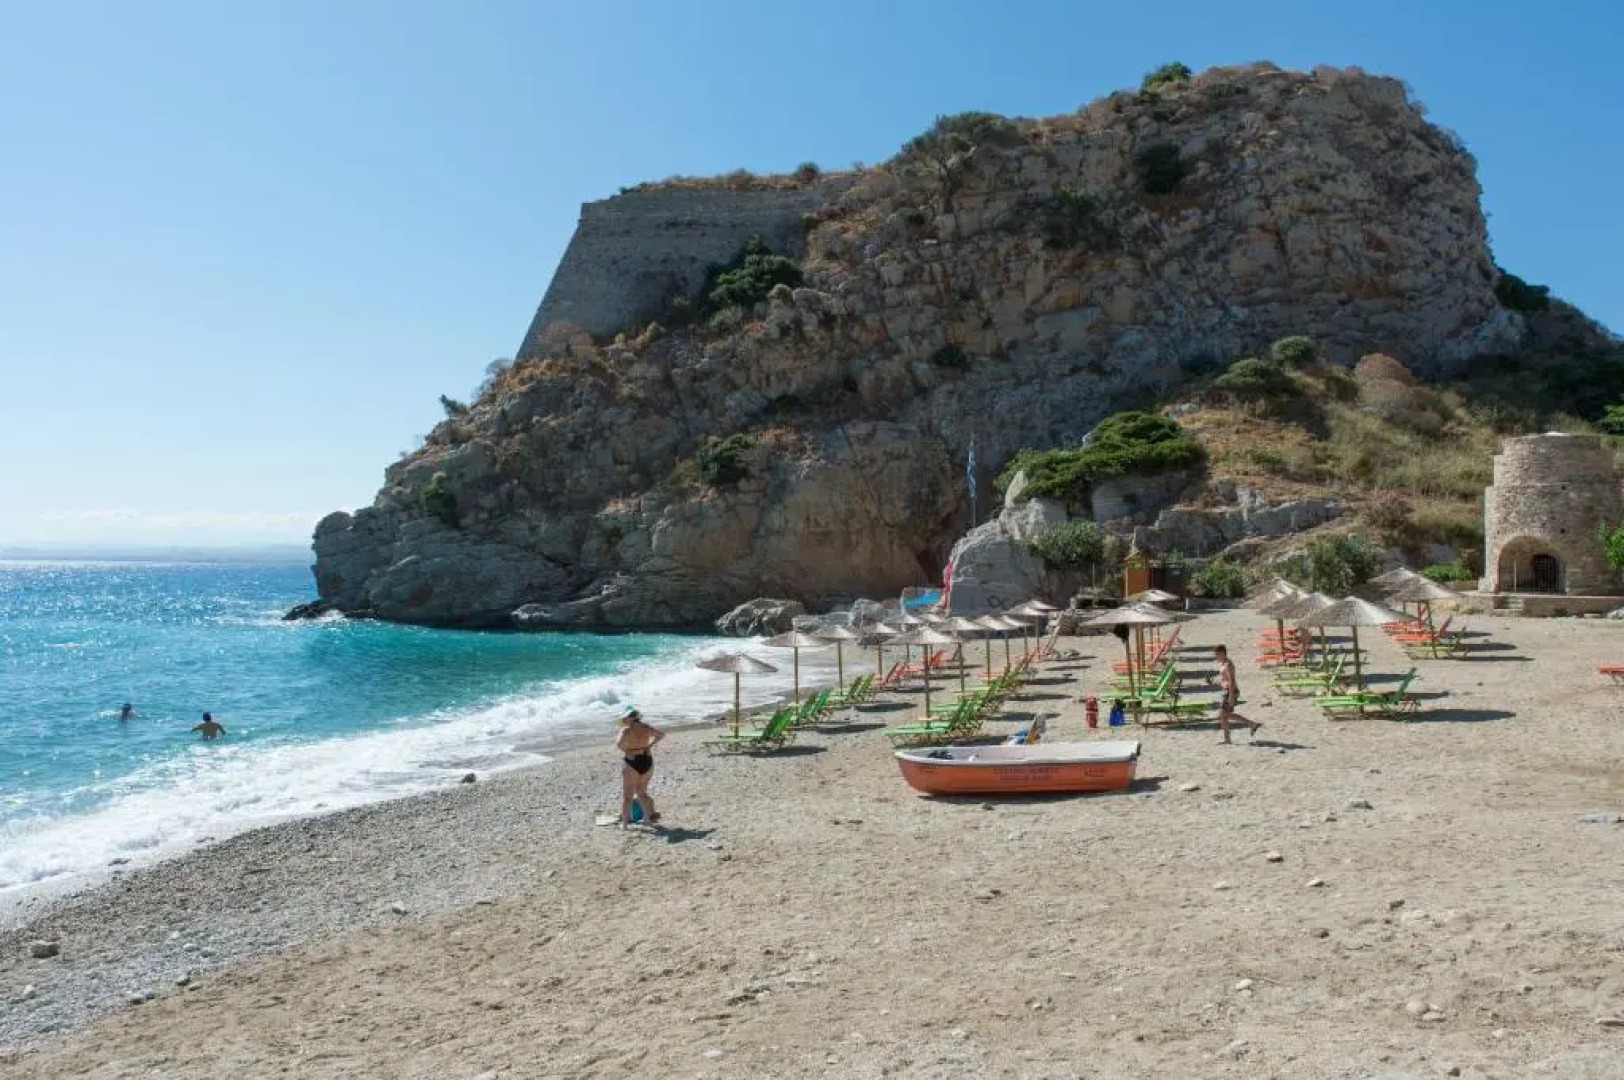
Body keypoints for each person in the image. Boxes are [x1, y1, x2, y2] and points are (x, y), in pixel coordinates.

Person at [616, 708, 664, 826]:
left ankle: (625, 824)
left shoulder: (626, 730)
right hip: (646, 760)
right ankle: (647, 819)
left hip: (632, 761)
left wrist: (627, 750)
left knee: (627, 796)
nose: (624, 721)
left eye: (625, 719)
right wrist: (649, 746)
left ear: (630, 718)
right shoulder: (646, 727)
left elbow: (619, 743)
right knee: (641, 793)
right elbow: (661, 735)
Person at [1213, 645, 1260, 744]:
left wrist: (1231, 696)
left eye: (1217, 654)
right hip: (1226, 691)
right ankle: (1228, 738)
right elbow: (1224, 680)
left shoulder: (1228, 664)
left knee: (1224, 714)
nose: (1216, 656)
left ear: (1222, 653)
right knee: (1224, 715)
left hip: (1231, 691)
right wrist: (1214, 682)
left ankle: (1251, 724)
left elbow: (1232, 681)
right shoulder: (1222, 663)